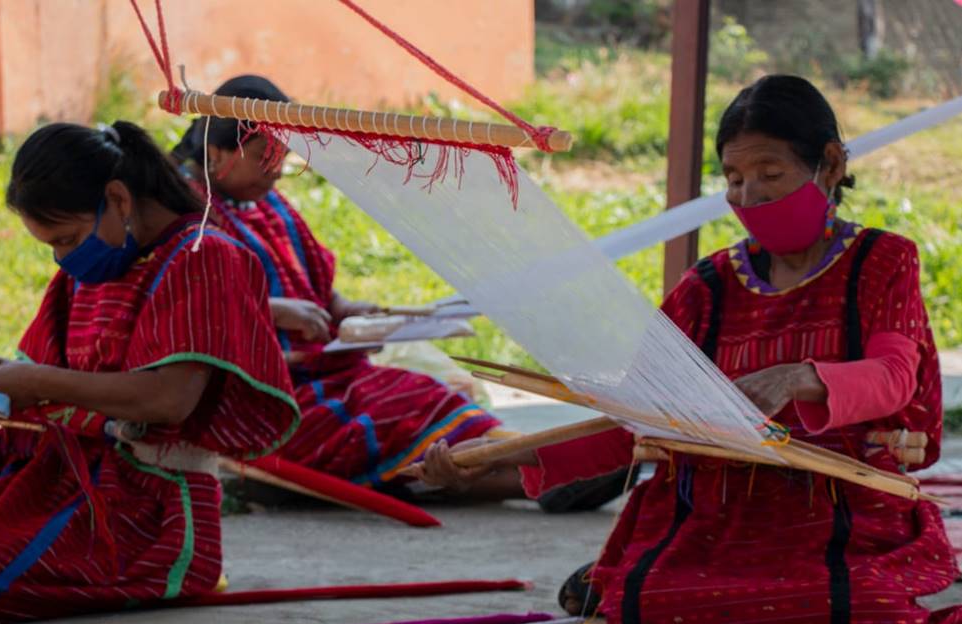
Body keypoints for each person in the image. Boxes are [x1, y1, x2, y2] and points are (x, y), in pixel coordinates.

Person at [419, 75, 962, 624]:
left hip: (844, 507)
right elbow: (638, 417)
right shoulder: (706, 289)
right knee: (645, 615)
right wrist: (495, 459)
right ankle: (637, 574)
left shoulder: (881, 262)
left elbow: (894, 377)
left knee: (868, 618)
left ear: (831, 165)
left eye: (770, 174)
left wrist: (798, 377)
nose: (749, 197)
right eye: (734, 179)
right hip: (720, 510)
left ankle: (632, 571)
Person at [0, 121, 299, 623]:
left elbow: (167, 399)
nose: (63, 258)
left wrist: (34, 382)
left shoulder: (204, 257)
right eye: (53, 245)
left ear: (118, 198)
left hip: (148, 509)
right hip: (57, 475)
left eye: (67, 238)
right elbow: (47, 371)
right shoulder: (95, 265)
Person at [171, 75, 635, 509]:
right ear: (216, 151)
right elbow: (179, 307)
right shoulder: (186, 215)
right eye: (264, 158)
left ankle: (546, 470)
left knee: (427, 395)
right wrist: (270, 310)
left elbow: (316, 288)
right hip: (262, 396)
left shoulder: (268, 205)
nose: (275, 172)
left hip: (326, 371)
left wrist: (351, 312)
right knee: (390, 417)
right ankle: (546, 479)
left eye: (283, 160)